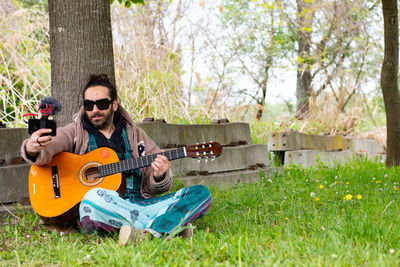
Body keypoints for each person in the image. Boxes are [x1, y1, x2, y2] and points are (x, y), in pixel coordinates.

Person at [21, 74, 212, 244]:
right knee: (93, 198)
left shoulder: (137, 136)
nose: (94, 109)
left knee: (200, 194)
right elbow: (51, 145)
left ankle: (147, 232)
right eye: (89, 105)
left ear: (114, 104)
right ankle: (166, 225)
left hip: (140, 204)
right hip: (101, 206)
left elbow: (157, 186)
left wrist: (160, 175)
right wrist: (33, 147)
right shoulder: (75, 132)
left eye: (102, 104)